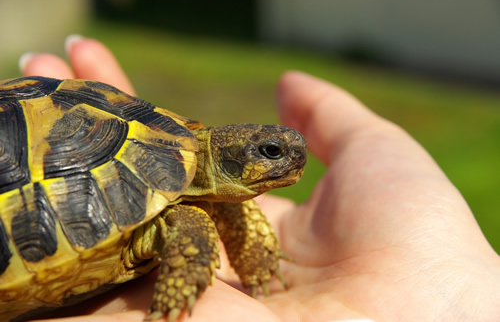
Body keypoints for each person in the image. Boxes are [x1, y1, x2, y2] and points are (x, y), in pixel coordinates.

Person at [19, 36, 500, 322]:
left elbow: (218, 207)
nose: (290, 160)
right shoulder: (187, 212)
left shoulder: (196, 200)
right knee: (194, 226)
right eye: (269, 154)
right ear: (226, 158)